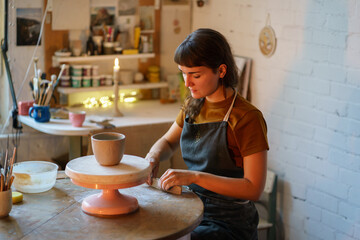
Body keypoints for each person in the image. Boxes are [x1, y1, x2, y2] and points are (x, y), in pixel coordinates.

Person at [145, 28, 269, 240]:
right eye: (183, 72)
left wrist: (194, 177)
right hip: (192, 205)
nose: (187, 83)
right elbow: (167, 141)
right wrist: (153, 157)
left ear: (221, 71)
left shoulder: (247, 118)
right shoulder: (193, 105)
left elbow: (253, 188)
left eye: (196, 75)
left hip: (229, 220)